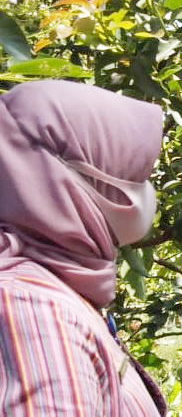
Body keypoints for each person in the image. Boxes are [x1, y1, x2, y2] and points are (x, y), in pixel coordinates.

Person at [0, 80, 167, 415]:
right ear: (61, 180)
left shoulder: (55, 294)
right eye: (129, 174)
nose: (147, 192)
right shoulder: (33, 306)